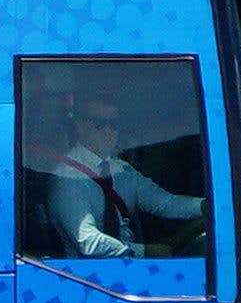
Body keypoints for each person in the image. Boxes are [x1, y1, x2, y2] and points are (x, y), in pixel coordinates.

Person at [40, 86, 207, 261]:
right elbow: (88, 242)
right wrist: (145, 251)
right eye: (99, 123)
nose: (109, 131)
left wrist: (205, 206)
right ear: (80, 126)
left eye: (114, 124)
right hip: (87, 277)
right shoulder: (66, 176)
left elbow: (165, 203)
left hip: (131, 266)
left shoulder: (122, 170)